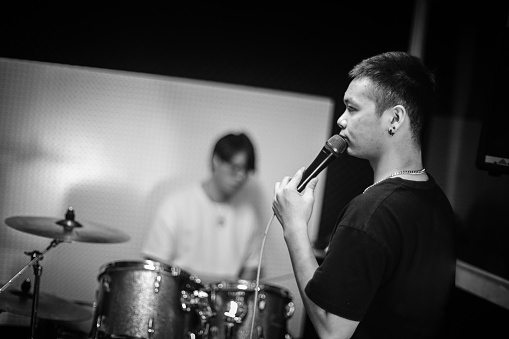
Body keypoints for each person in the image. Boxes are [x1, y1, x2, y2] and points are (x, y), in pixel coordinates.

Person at [273, 51, 456, 339]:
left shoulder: (372, 211)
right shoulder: (438, 202)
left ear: (394, 118)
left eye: (352, 109)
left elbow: (332, 330)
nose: (341, 121)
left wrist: (294, 228)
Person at [142, 132, 263, 284]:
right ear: (216, 161)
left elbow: (251, 268)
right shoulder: (176, 205)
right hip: (178, 300)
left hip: (226, 304)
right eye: (235, 167)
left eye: (246, 171)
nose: (240, 176)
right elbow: (154, 264)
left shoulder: (249, 215)